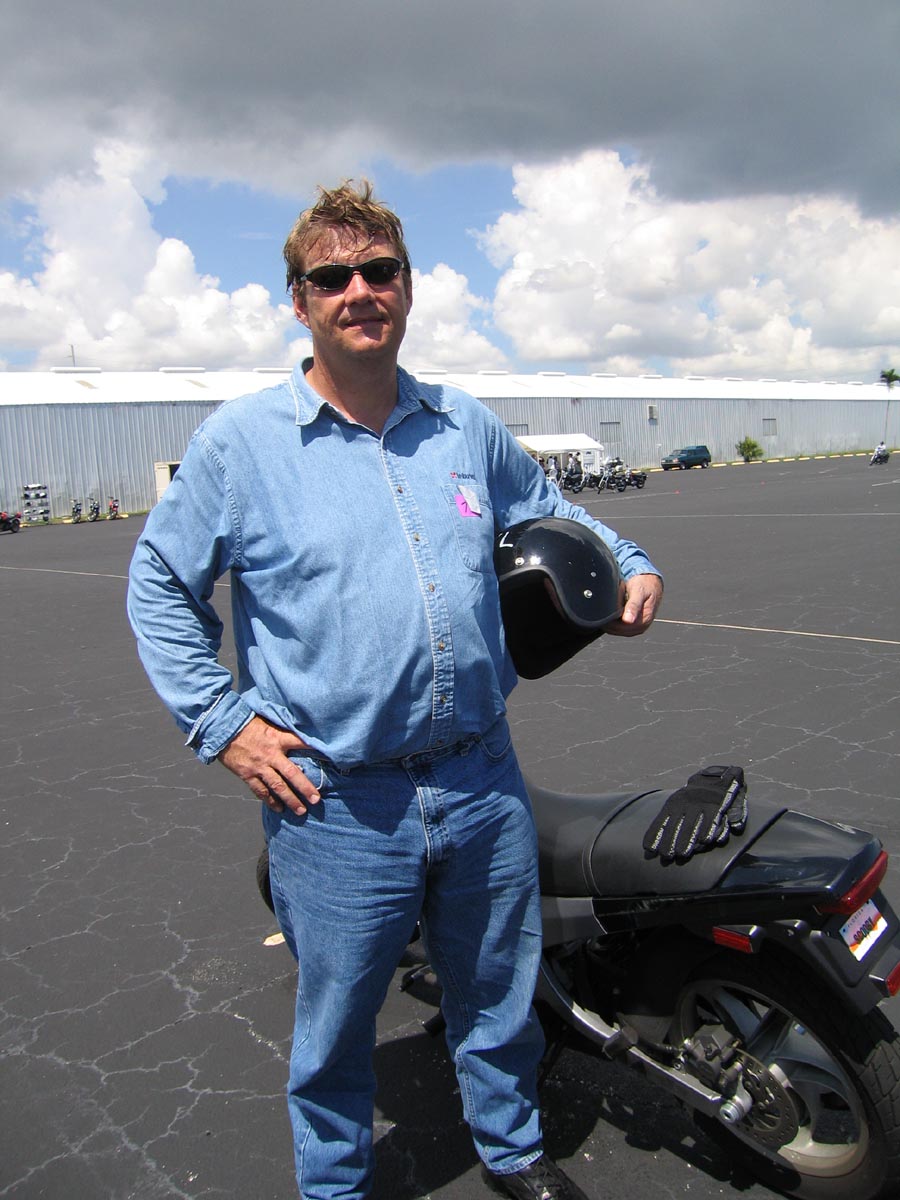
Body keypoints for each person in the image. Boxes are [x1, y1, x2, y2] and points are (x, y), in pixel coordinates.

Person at [127, 179, 663, 1200]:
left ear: (407, 287)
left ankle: (511, 1148)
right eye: (332, 277)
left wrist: (629, 560)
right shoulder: (244, 444)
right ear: (299, 301)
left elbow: (551, 509)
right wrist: (224, 723)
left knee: (496, 986)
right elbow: (159, 583)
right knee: (337, 1022)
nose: (359, 291)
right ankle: (335, 1185)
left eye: (379, 271)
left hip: (480, 778)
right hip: (338, 802)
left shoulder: (461, 425)